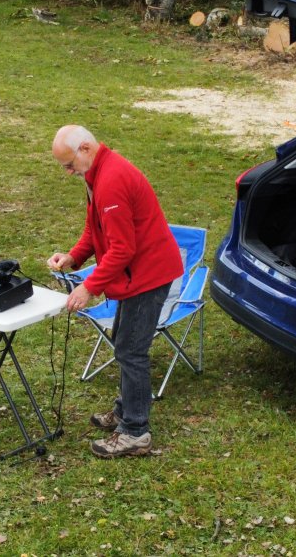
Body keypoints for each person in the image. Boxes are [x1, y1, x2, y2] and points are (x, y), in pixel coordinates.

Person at [46, 125, 183, 458]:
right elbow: (95, 230)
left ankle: (135, 431)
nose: (68, 172)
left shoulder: (112, 181)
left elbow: (122, 249)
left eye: (69, 165)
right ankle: (125, 411)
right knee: (124, 341)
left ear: (85, 148)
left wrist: (89, 287)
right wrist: (74, 256)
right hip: (135, 275)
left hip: (148, 276)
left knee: (131, 351)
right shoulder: (96, 174)